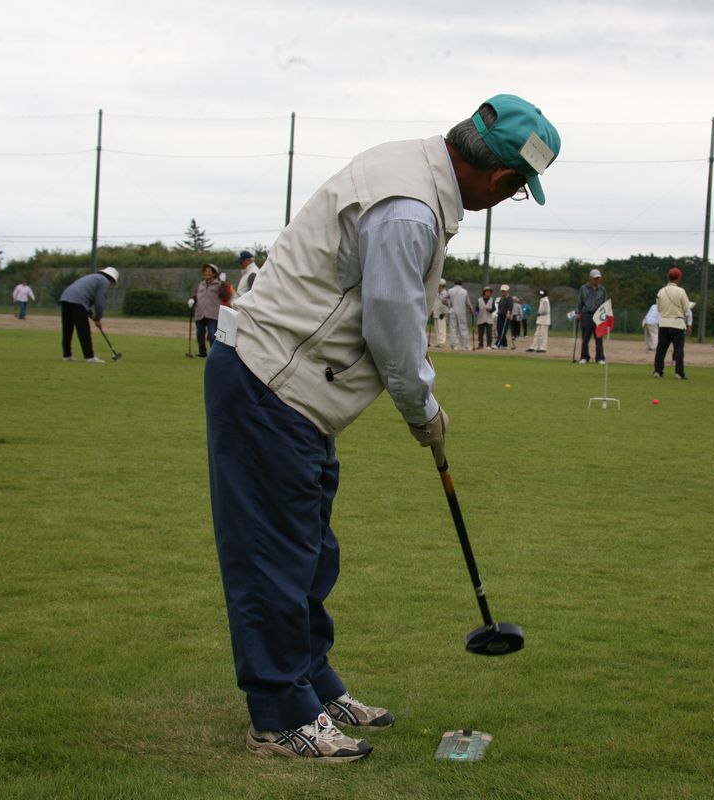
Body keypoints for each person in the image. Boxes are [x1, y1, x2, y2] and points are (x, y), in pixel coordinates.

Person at [205, 94, 560, 762]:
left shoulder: (413, 174)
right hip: (269, 383)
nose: (506, 198)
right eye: (516, 191)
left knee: (311, 549)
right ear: (499, 177)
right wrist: (423, 410)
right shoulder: (410, 209)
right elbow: (392, 326)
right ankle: (280, 716)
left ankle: (311, 683)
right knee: (275, 558)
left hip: (296, 392)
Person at [59, 267, 118, 363]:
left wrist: (93, 317)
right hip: (78, 301)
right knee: (84, 330)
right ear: (112, 279)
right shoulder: (104, 281)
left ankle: (67, 355)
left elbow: (85, 304)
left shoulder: (93, 277)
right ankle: (89, 357)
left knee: (67, 329)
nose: (110, 285)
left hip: (65, 298)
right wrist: (98, 318)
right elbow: (99, 302)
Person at [653, 268, 691, 379]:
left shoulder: (661, 291)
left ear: (668, 277)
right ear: (679, 278)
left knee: (661, 349)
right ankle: (679, 372)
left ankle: (658, 371)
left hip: (664, 323)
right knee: (678, 349)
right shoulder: (681, 291)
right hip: (678, 323)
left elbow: (659, 308)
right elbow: (686, 308)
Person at [190, 264, 230, 358]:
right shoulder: (201, 284)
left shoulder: (219, 284)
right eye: (205, 271)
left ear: (214, 273)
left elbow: (225, 296)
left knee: (212, 335)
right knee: (200, 334)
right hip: (200, 313)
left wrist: (223, 283)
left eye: (209, 271)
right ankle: (202, 353)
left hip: (213, 313)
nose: (207, 273)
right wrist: (192, 299)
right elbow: (196, 294)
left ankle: (214, 355)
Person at [575, 269, 608, 364]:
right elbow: (579, 301)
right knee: (585, 337)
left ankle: (600, 358)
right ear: (590, 278)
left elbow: (604, 303)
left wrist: (605, 315)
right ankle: (584, 357)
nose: (597, 280)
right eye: (595, 278)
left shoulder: (602, 290)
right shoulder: (583, 288)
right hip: (586, 314)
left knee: (599, 338)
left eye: (598, 278)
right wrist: (577, 312)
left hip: (598, 315)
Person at [446, 279, 473, 350]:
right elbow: (468, 303)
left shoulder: (450, 290)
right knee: (463, 328)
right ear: (461, 284)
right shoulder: (464, 291)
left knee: (453, 328)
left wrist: (449, 305)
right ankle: (465, 345)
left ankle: (453, 345)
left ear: (454, 283)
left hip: (452, 310)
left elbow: (443, 298)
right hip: (461, 311)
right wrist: (471, 310)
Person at [430, 278, 449, 347]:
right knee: (437, 328)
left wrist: (444, 312)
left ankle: (442, 342)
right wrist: (432, 310)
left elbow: (447, 304)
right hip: (436, 312)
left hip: (442, 314)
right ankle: (438, 342)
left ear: (442, 285)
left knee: (442, 328)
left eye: (439, 285)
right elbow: (435, 303)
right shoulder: (437, 293)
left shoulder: (445, 293)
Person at [495, 284, 514, 348]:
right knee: (499, 329)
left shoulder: (509, 299)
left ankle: (498, 343)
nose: (503, 292)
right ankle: (504, 344)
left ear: (507, 291)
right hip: (500, 315)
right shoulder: (501, 299)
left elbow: (510, 307)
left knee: (503, 330)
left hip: (505, 316)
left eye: (504, 291)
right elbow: (499, 306)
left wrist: (508, 313)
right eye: (502, 291)